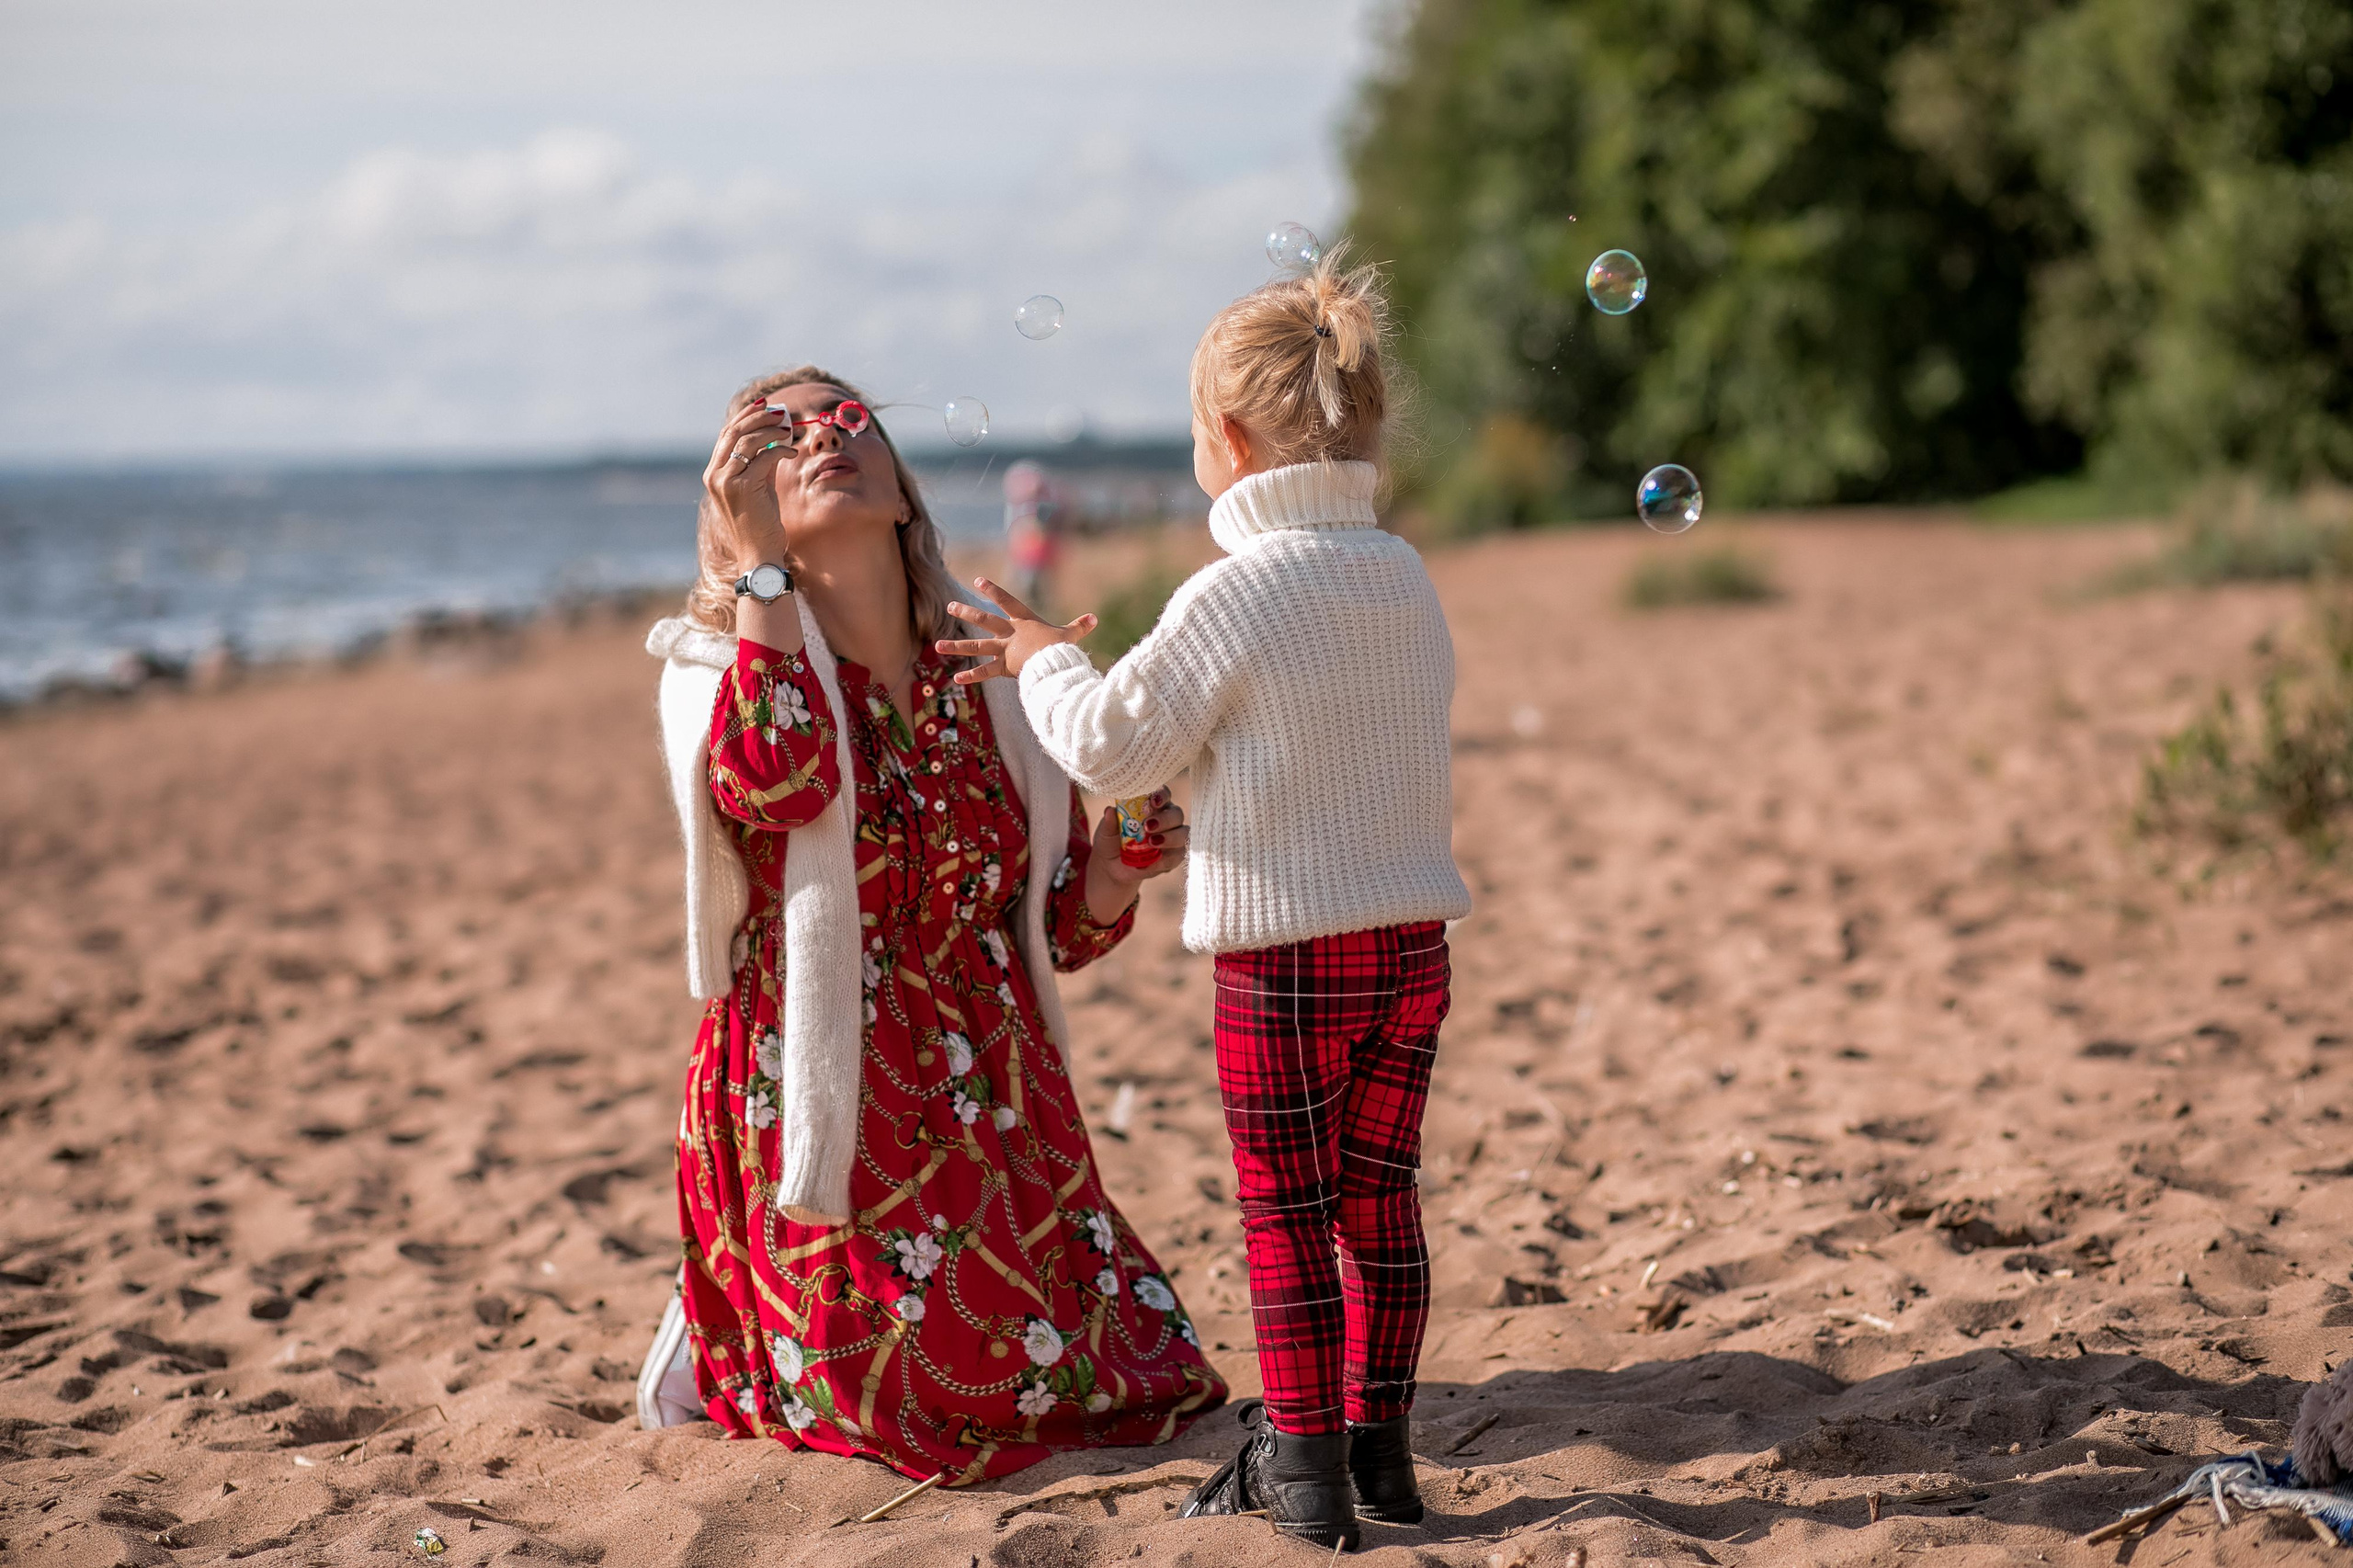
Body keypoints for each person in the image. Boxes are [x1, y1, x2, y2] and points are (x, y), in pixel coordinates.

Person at [938, 247, 1470, 1551]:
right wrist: (1219, 790)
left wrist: (1040, 661)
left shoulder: (1237, 589)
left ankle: (1301, 1476)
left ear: (1226, 441)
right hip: (1408, 944)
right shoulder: (1400, 576)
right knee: (1380, 1202)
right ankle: (1381, 1452)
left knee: (1287, 1217)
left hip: (1283, 961)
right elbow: (1326, 743)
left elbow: (1116, 743)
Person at [636, 366, 1225, 1483]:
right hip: (825, 1087)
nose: (824, 439)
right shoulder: (713, 665)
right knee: (903, 1402)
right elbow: (784, 783)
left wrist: (1115, 864)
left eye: (849, 418)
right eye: (782, 434)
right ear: (737, 497)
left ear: (902, 492)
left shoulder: (988, 673)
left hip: (997, 1096)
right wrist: (760, 566)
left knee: (1139, 1379)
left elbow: (1050, 928)